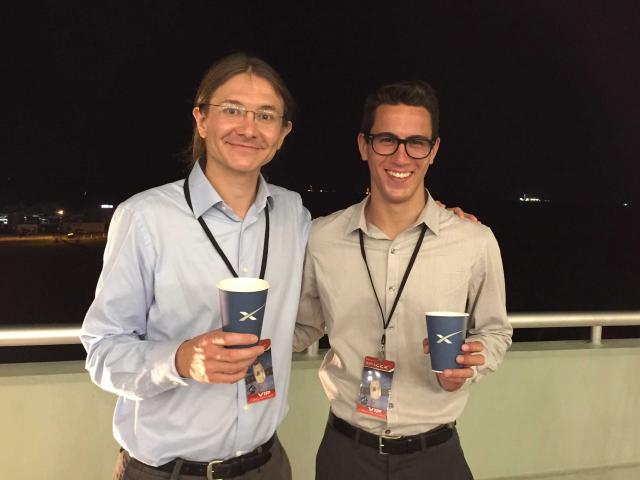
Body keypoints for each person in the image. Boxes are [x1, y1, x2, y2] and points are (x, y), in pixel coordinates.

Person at [81, 52, 310, 479]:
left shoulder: (293, 214)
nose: (248, 127)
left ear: (282, 134)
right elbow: (102, 350)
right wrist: (181, 359)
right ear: (201, 121)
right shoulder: (146, 217)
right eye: (232, 110)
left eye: (265, 115)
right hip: (169, 472)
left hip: (268, 465)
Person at [294, 80, 513, 479]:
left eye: (416, 142)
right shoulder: (322, 238)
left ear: (433, 151)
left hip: (435, 456)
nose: (401, 156)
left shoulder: (473, 241)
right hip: (346, 454)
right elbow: (302, 326)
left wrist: (471, 362)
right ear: (364, 145)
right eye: (386, 140)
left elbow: (496, 332)